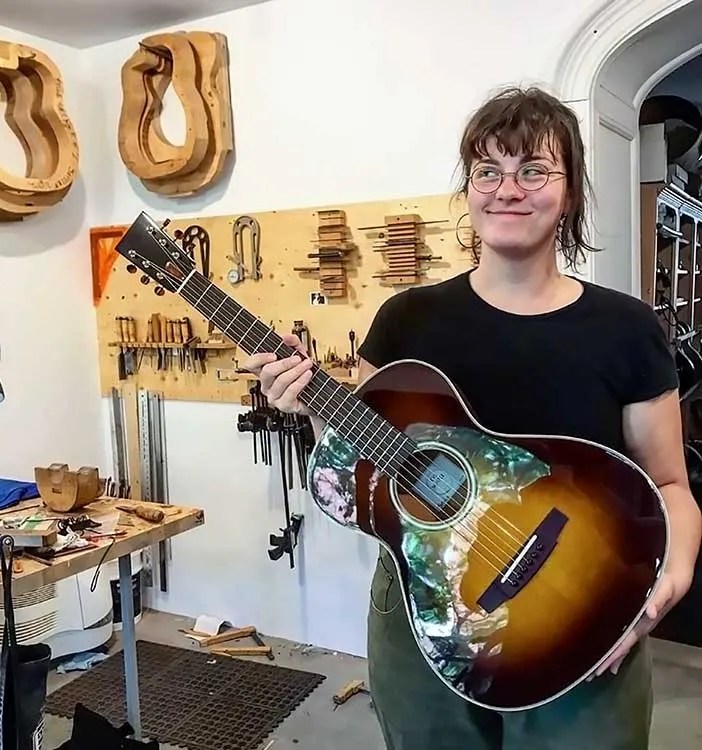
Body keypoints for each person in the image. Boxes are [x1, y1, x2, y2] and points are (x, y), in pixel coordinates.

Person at [242, 85, 702, 749]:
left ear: (569, 191)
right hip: (420, 616)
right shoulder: (407, 321)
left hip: (582, 612)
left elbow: (671, 488)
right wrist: (308, 404)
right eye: (487, 170)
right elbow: (362, 470)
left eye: (533, 170)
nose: (507, 188)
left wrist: (665, 585)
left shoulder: (625, 329)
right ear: (470, 189)